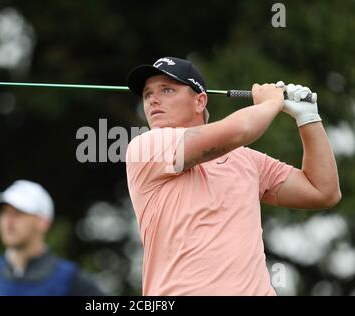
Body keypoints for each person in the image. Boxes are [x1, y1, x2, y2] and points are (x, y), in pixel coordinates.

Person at [125, 57, 341, 295]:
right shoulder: (146, 147)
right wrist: (271, 103)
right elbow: (241, 130)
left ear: (200, 102)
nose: (153, 99)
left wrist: (308, 118)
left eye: (167, 89)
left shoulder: (246, 160)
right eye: (147, 94)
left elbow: (323, 192)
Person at [0, 180, 105, 296]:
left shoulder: (69, 277)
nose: (8, 221)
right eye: (4, 213)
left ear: (43, 222)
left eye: (18, 213)